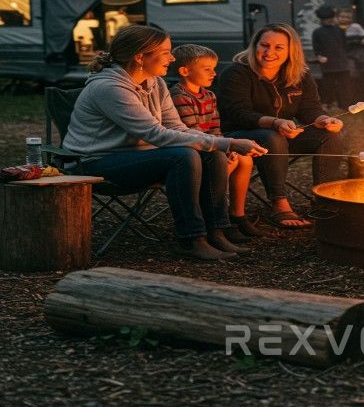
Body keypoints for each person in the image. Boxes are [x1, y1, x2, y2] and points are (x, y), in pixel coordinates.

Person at [63, 25, 267, 261]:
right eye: (166, 52)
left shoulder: (155, 83)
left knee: (211, 153)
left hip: (136, 157)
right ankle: (191, 239)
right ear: (140, 57)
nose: (172, 57)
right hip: (94, 162)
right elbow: (156, 134)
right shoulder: (109, 88)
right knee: (183, 156)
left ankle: (216, 231)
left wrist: (219, 144)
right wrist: (228, 142)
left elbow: (175, 126)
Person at [218, 23, 345, 228]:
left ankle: (324, 199)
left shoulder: (299, 75)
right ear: (254, 45)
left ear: (290, 50)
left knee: (330, 136)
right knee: (272, 136)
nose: (270, 53)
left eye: (279, 47)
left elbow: (310, 109)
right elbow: (239, 114)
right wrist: (275, 122)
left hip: (281, 135)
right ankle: (279, 203)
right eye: (264, 45)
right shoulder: (236, 73)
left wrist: (324, 120)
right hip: (240, 136)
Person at [169, 44, 261, 244]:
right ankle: (215, 218)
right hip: (191, 146)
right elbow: (190, 131)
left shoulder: (209, 96)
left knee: (244, 159)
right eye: (207, 69)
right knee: (225, 162)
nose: (214, 73)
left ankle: (237, 215)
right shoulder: (179, 96)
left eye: (214, 68)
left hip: (211, 144)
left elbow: (214, 127)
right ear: (185, 71)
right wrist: (221, 147)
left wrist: (224, 145)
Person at [312, 4, 352, 111]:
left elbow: (345, 45)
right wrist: (319, 56)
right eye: (326, 19)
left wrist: (344, 57)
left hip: (342, 63)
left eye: (330, 18)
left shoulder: (339, 30)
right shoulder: (317, 32)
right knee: (327, 86)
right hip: (328, 64)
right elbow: (317, 48)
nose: (329, 21)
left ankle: (344, 105)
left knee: (344, 86)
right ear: (322, 20)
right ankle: (326, 104)